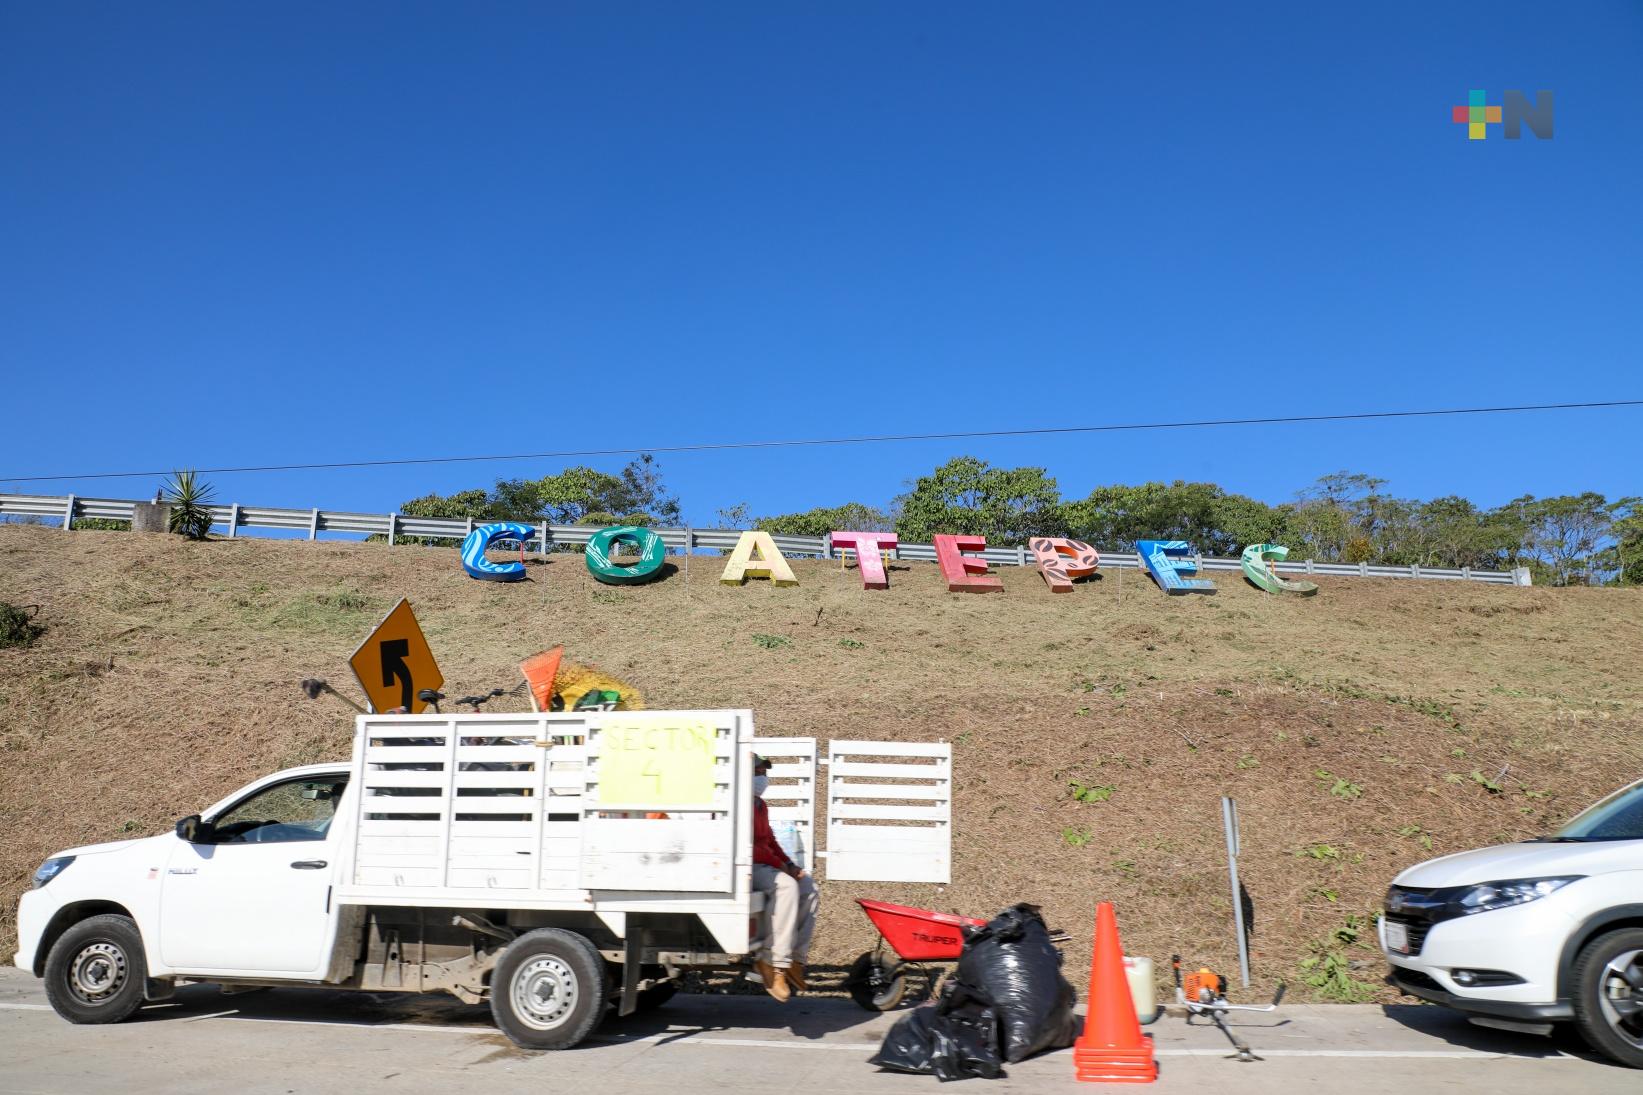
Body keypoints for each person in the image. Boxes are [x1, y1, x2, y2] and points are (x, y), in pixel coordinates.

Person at [750, 754, 819, 1003]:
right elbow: (749, 847)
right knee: (787, 887)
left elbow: (769, 840)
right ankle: (772, 963)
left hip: (765, 864)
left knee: (808, 886)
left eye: (763, 773)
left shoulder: (760, 805)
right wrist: (780, 866)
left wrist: (790, 863)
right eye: (757, 772)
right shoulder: (739, 804)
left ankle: (795, 960)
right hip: (748, 866)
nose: (762, 778)